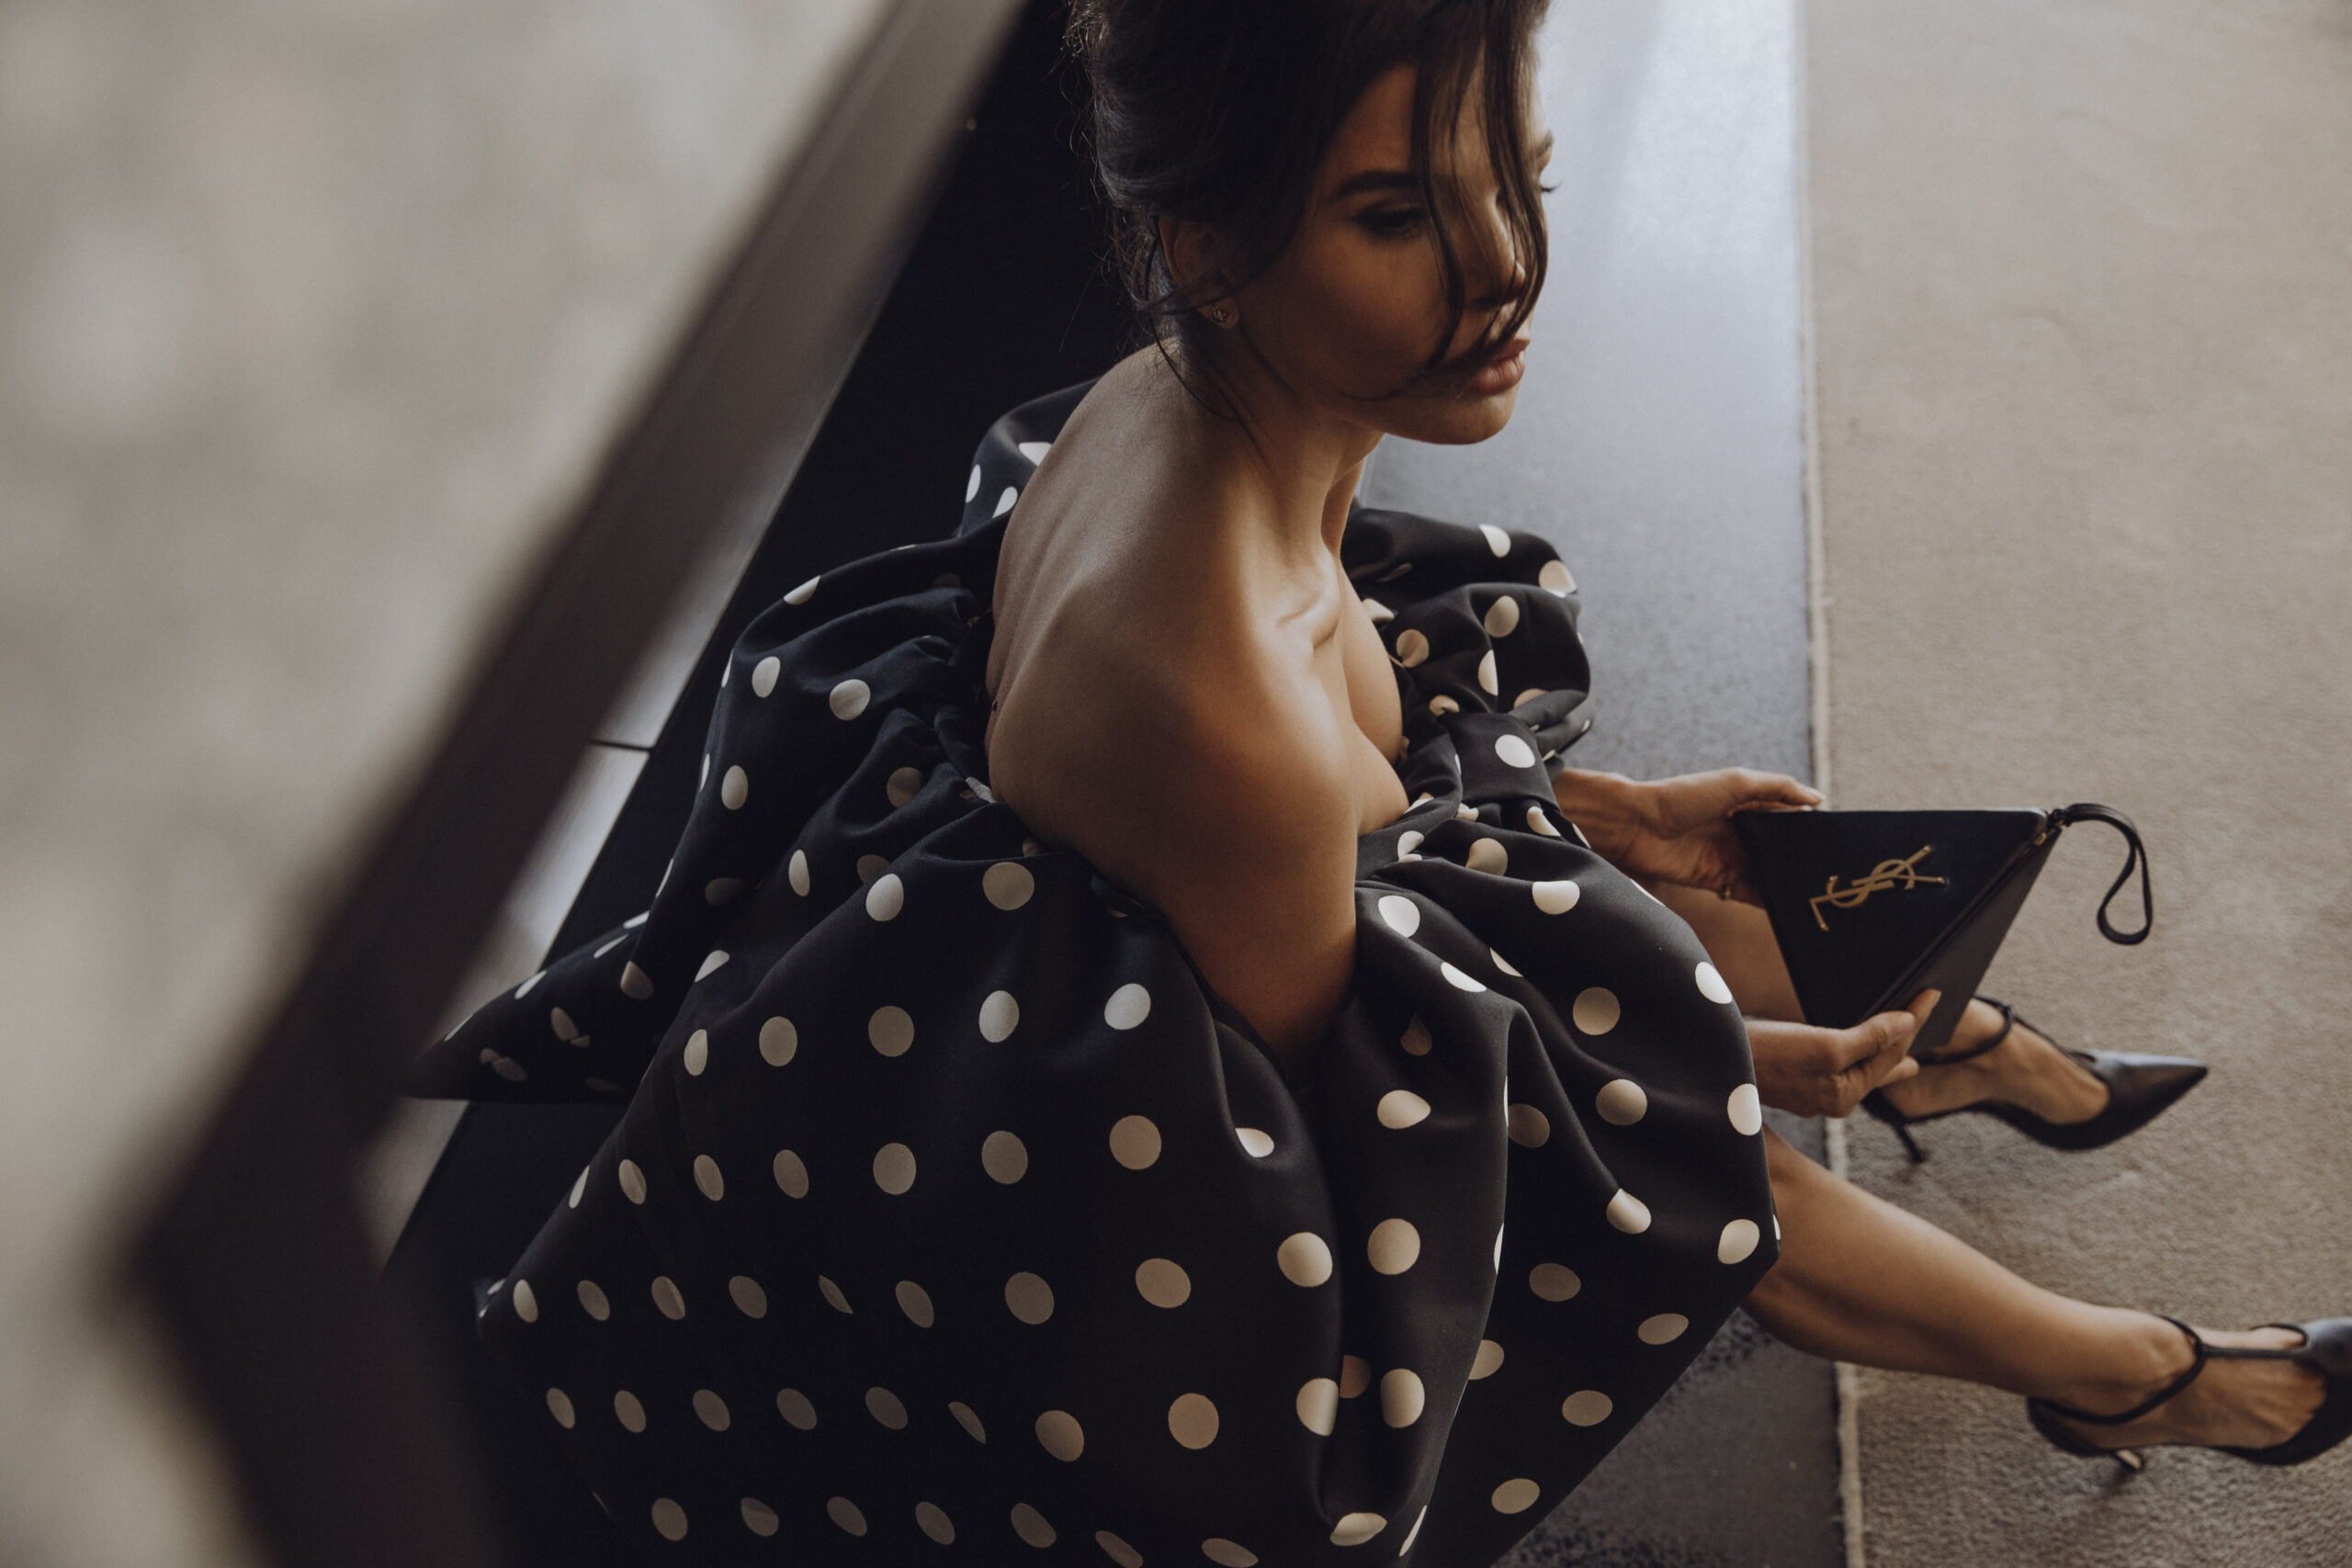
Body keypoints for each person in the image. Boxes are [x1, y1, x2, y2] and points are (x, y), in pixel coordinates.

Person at [412, 1, 2348, 1562]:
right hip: (1119, 1148)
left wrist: (1616, 819)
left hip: (1224, 880)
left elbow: (1399, 804)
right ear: (1204, 237)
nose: (1503, 266)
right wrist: (1726, 1056)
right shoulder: (1214, 707)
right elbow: (1449, 1116)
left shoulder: (1196, 398)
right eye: (1395, 216)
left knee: (1653, 907)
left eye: (1518, 174)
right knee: (1686, 1155)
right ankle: (2146, 1370)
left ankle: (1953, 1043)